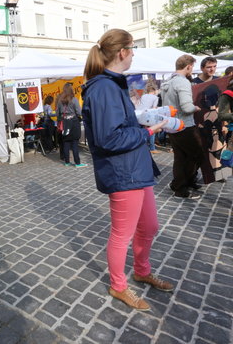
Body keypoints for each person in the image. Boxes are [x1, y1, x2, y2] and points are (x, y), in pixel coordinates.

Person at [82, 29, 174, 311]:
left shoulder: (112, 85)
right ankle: (118, 286)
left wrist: (142, 122)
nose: (134, 53)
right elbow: (108, 138)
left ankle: (142, 271)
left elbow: (118, 127)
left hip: (136, 167)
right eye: (132, 48)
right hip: (123, 172)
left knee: (150, 225)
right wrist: (149, 131)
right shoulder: (103, 88)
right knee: (122, 234)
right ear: (122, 52)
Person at [161, 55, 203, 199]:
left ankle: (179, 185)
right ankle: (181, 187)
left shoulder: (167, 82)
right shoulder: (182, 82)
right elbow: (186, 107)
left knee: (180, 157)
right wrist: (196, 108)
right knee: (197, 154)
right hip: (185, 126)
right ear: (189, 66)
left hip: (172, 126)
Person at [57, 83, 87, 167]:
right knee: (74, 143)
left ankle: (67, 162)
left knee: (66, 143)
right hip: (73, 123)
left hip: (65, 123)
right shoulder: (74, 100)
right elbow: (79, 112)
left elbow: (58, 114)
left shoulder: (60, 101)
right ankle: (77, 163)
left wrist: (61, 120)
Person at [137, 81, 161, 154]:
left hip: (139, 114)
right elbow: (154, 108)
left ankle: (141, 146)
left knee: (141, 131)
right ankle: (152, 148)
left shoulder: (143, 96)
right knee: (152, 131)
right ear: (154, 91)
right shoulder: (155, 97)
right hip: (147, 115)